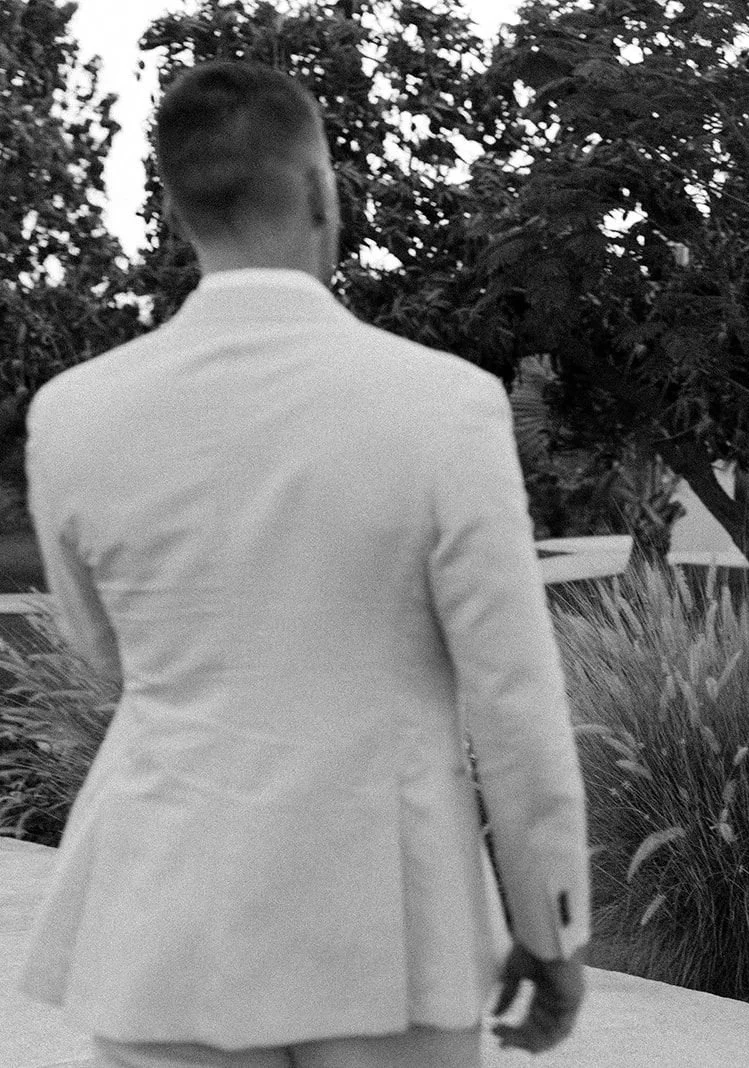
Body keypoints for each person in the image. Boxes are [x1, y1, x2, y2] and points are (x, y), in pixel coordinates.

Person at [19, 60, 589, 1068]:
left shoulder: (71, 414)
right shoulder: (445, 404)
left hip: (166, 920)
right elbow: (514, 699)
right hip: (390, 920)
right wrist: (552, 929)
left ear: (178, 211)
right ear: (324, 193)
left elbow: (108, 658)